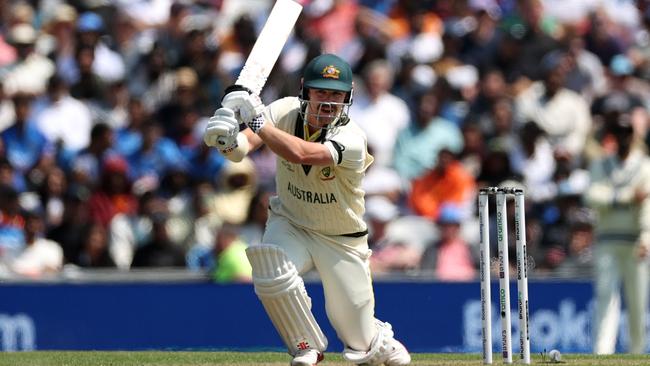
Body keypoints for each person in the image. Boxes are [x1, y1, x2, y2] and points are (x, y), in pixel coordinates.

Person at [204, 54, 410, 366]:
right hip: (292, 222)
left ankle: (379, 339)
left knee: (358, 342)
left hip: (341, 238)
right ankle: (306, 347)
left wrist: (256, 120)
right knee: (269, 267)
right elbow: (242, 150)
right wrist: (227, 139)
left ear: (348, 96)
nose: (328, 102)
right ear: (306, 90)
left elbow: (301, 153)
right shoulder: (283, 109)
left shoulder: (352, 137)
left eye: (336, 95)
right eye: (321, 92)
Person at [584, 114, 650, 354]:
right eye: (618, 133)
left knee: (637, 302)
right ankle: (603, 352)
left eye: (626, 133)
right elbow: (591, 196)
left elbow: (647, 205)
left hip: (635, 242)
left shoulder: (644, 166)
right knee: (606, 297)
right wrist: (626, 197)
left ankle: (637, 352)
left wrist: (646, 238)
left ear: (633, 136)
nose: (622, 138)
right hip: (607, 241)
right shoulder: (601, 165)